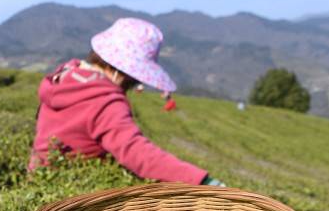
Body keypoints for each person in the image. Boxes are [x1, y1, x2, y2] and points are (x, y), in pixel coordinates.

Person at [29, 17, 224, 186]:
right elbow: (135, 152)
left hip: (38, 179)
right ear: (121, 71)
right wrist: (201, 181)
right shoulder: (103, 99)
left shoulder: (64, 76)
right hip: (75, 193)